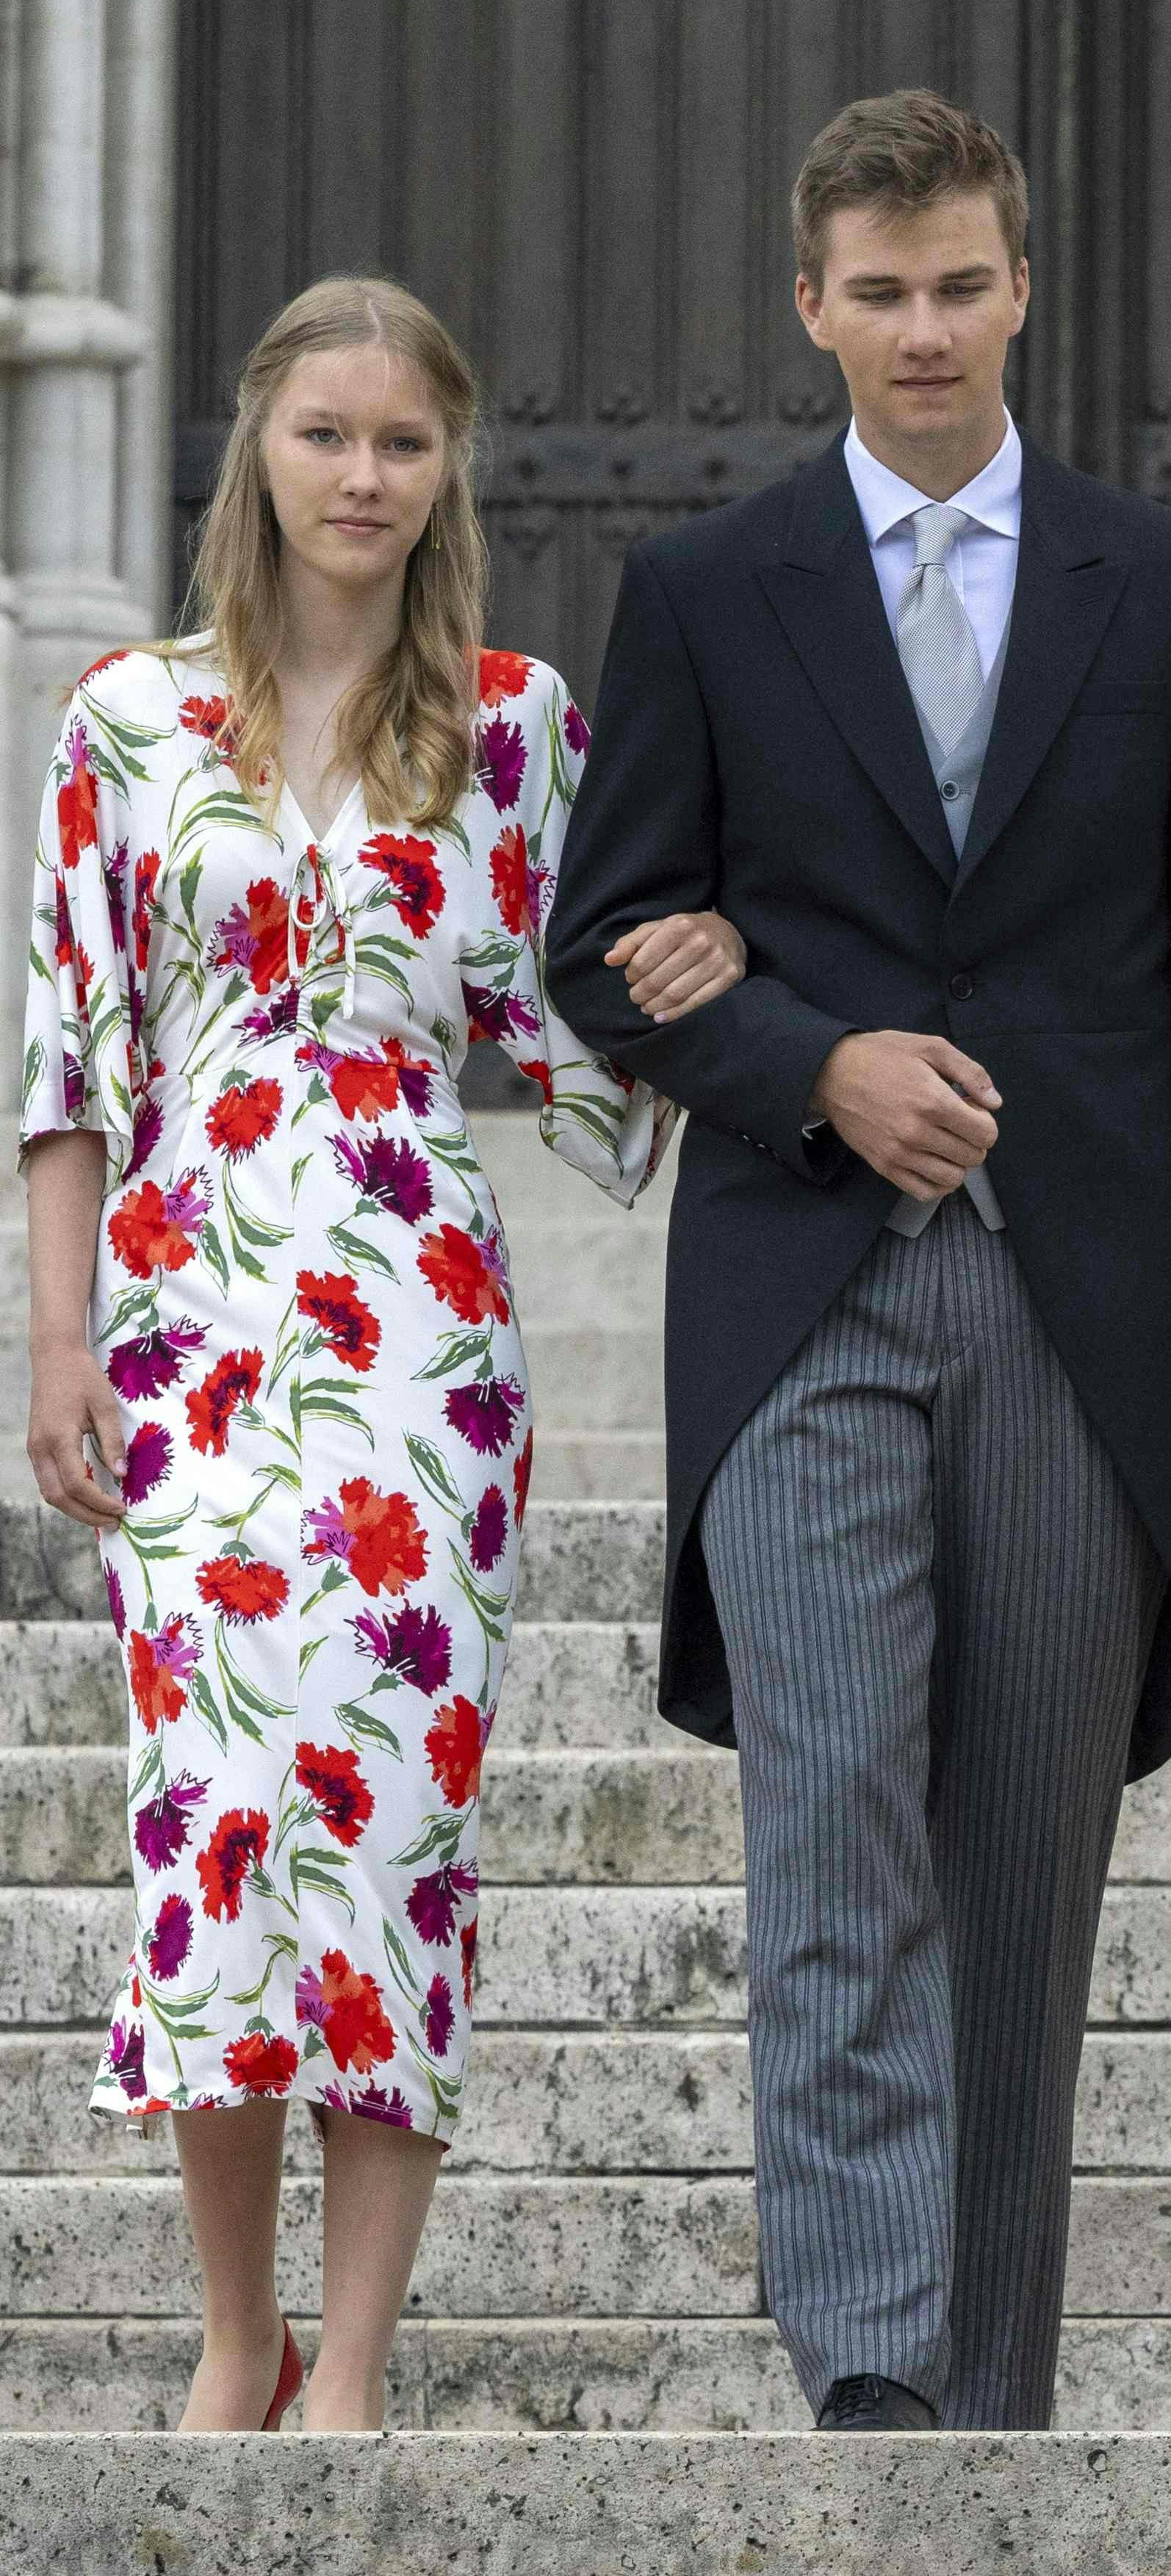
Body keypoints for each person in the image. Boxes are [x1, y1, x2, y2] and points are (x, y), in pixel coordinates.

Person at [544, 89, 1171, 2432]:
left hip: (1080, 1307)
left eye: (960, 284)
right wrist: (810, 1061)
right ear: (812, 305)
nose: (923, 331)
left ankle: (985, 2404)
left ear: (1019, 284)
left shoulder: (1169, 590)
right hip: (803, 1300)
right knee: (832, 1826)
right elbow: (596, 948)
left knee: (1019, 1880)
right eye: (877, 293)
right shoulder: (705, 590)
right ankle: (873, 2376)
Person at [19, 275, 743, 2431]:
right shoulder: (127, 724)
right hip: (183, 1312)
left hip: (422, 1321)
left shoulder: (513, 729)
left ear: (450, 475)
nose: (362, 475)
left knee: (396, 1829)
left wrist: (704, 980)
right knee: (221, 1812)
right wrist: (49, 1337)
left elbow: (577, 1042)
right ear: (255, 446)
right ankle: (237, 2339)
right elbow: (70, 1054)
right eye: (326, 434)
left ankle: (358, 2360)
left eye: (403, 443)